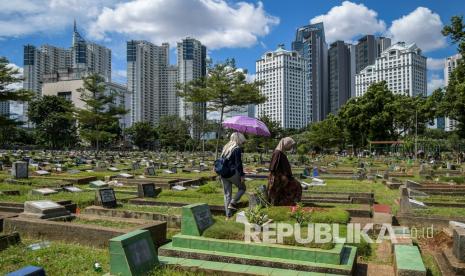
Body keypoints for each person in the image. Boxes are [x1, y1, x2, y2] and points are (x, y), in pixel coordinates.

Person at [267, 137, 302, 206]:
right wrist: (283, 176)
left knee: (297, 186)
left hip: (284, 176)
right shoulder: (278, 152)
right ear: (286, 144)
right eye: (290, 145)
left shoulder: (281, 152)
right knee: (296, 186)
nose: (291, 147)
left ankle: (286, 202)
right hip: (279, 177)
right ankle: (283, 203)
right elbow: (273, 167)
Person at [220, 132, 247, 218]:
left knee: (227, 194)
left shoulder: (226, 147)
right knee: (242, 188)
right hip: (232, 173)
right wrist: (242, 176)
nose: (243, 141)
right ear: (239, 139)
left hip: (223, 174)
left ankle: (228, 216)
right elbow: (238, 164)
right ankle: (233, 202)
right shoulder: (237, 149)